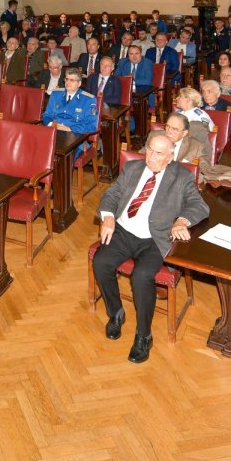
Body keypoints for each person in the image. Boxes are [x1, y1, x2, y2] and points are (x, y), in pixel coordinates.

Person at [92, 131, 210, 362]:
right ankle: (115, 312)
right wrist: (107, 217)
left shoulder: (181, 176)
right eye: (149, 150)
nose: (151, 157)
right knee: (100, 262)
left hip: (154, 239)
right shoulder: (133, 168)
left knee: (141, 276)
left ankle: (143, 335)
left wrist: (181, 220)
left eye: (159, 153)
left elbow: (200, 206)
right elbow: (112, 194)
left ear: (170, 156)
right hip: (124, 231)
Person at [42, 68, 98, 135]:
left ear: (79, 83)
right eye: (67, 79)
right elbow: (46, 115)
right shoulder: (55, 95)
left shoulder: (88, 100)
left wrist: (70, 128)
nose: (68, 82)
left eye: (72, 80)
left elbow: (92, 125)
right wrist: (51, 124)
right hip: (54, 131)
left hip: (75, 135)